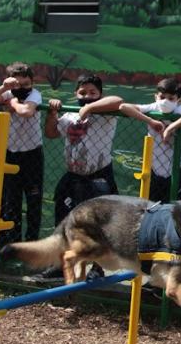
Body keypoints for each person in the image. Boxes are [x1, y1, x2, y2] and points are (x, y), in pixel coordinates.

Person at [34, 74, 123, 282]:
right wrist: (52, 112)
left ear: (101, 94)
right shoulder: (70, 116)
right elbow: (51, 133)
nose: (87, 96)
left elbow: (118, 100)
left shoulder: (105, 115)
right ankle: (60, 265)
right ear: (76, 93)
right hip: (73, 177)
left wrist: (90, 108)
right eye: (83, 93)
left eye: (93, 93)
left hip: (98, 177)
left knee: (99, 225)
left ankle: (97, 268)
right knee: (63, 222)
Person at [0, 62, 43, 247]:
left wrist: (13, 103)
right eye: (17, 85)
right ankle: (13, 244)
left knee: (33, 200)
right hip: (10, 154)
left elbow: (26, 111)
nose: (22, 88)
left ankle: (32, 244)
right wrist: (5, 88)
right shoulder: (7, 92)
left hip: (32, 155)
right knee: (12, 201)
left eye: (26, 84)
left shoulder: (34, 94)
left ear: (32, 83)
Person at [119, 77, 181, 203]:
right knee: (149, 205)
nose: (165, 101)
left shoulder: (179, 111)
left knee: (174, 206)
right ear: (156, 97)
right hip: (152, 169)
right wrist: (150, 120)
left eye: (171, 98)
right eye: (162, 97)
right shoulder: (153, 108)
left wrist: (170, 128)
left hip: (175, 171)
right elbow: (123, 107)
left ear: (178, 100)